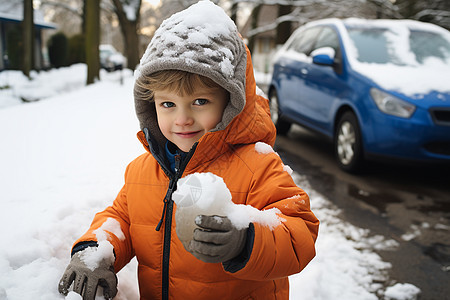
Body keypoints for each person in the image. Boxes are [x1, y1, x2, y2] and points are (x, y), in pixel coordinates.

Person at [58, 1, 319, 299]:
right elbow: (122, 219)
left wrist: (244, 240)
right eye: (167, 104)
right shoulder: (143, 170)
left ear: (230, 103)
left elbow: (299, 233)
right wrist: (94, 252)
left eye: (200, 102)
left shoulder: (256, 166)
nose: (182, 119)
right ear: (149, 106)